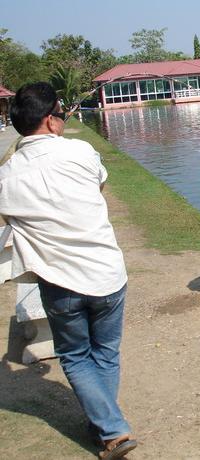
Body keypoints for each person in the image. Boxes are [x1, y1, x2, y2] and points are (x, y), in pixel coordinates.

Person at [0, 82, 136, 459]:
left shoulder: (6, 177)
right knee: (104, 353)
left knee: (75, 355)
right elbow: (101, 185)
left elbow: (6, 218)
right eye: (60, 113)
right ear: (50, 121)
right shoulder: (80, 152)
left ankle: (108, 428)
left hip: (58, 282)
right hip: (106, 273)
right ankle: (109, 428)